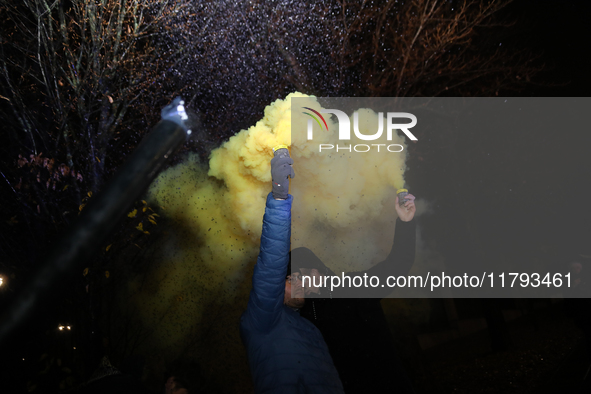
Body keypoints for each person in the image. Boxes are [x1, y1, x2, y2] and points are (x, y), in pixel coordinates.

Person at [239, 151, 344, 394]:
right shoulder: (263, 320)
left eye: (298, 278)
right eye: (289, 278)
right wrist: (278, 198)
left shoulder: (313, 330)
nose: (297, 281)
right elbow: (271, 265)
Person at [294, 192, 417, 393]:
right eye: (292, 277)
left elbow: (397, 265)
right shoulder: (303, 314)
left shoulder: (352, 286)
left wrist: (405, 222)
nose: (299, 281)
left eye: (302, 272)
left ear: (316, 268)